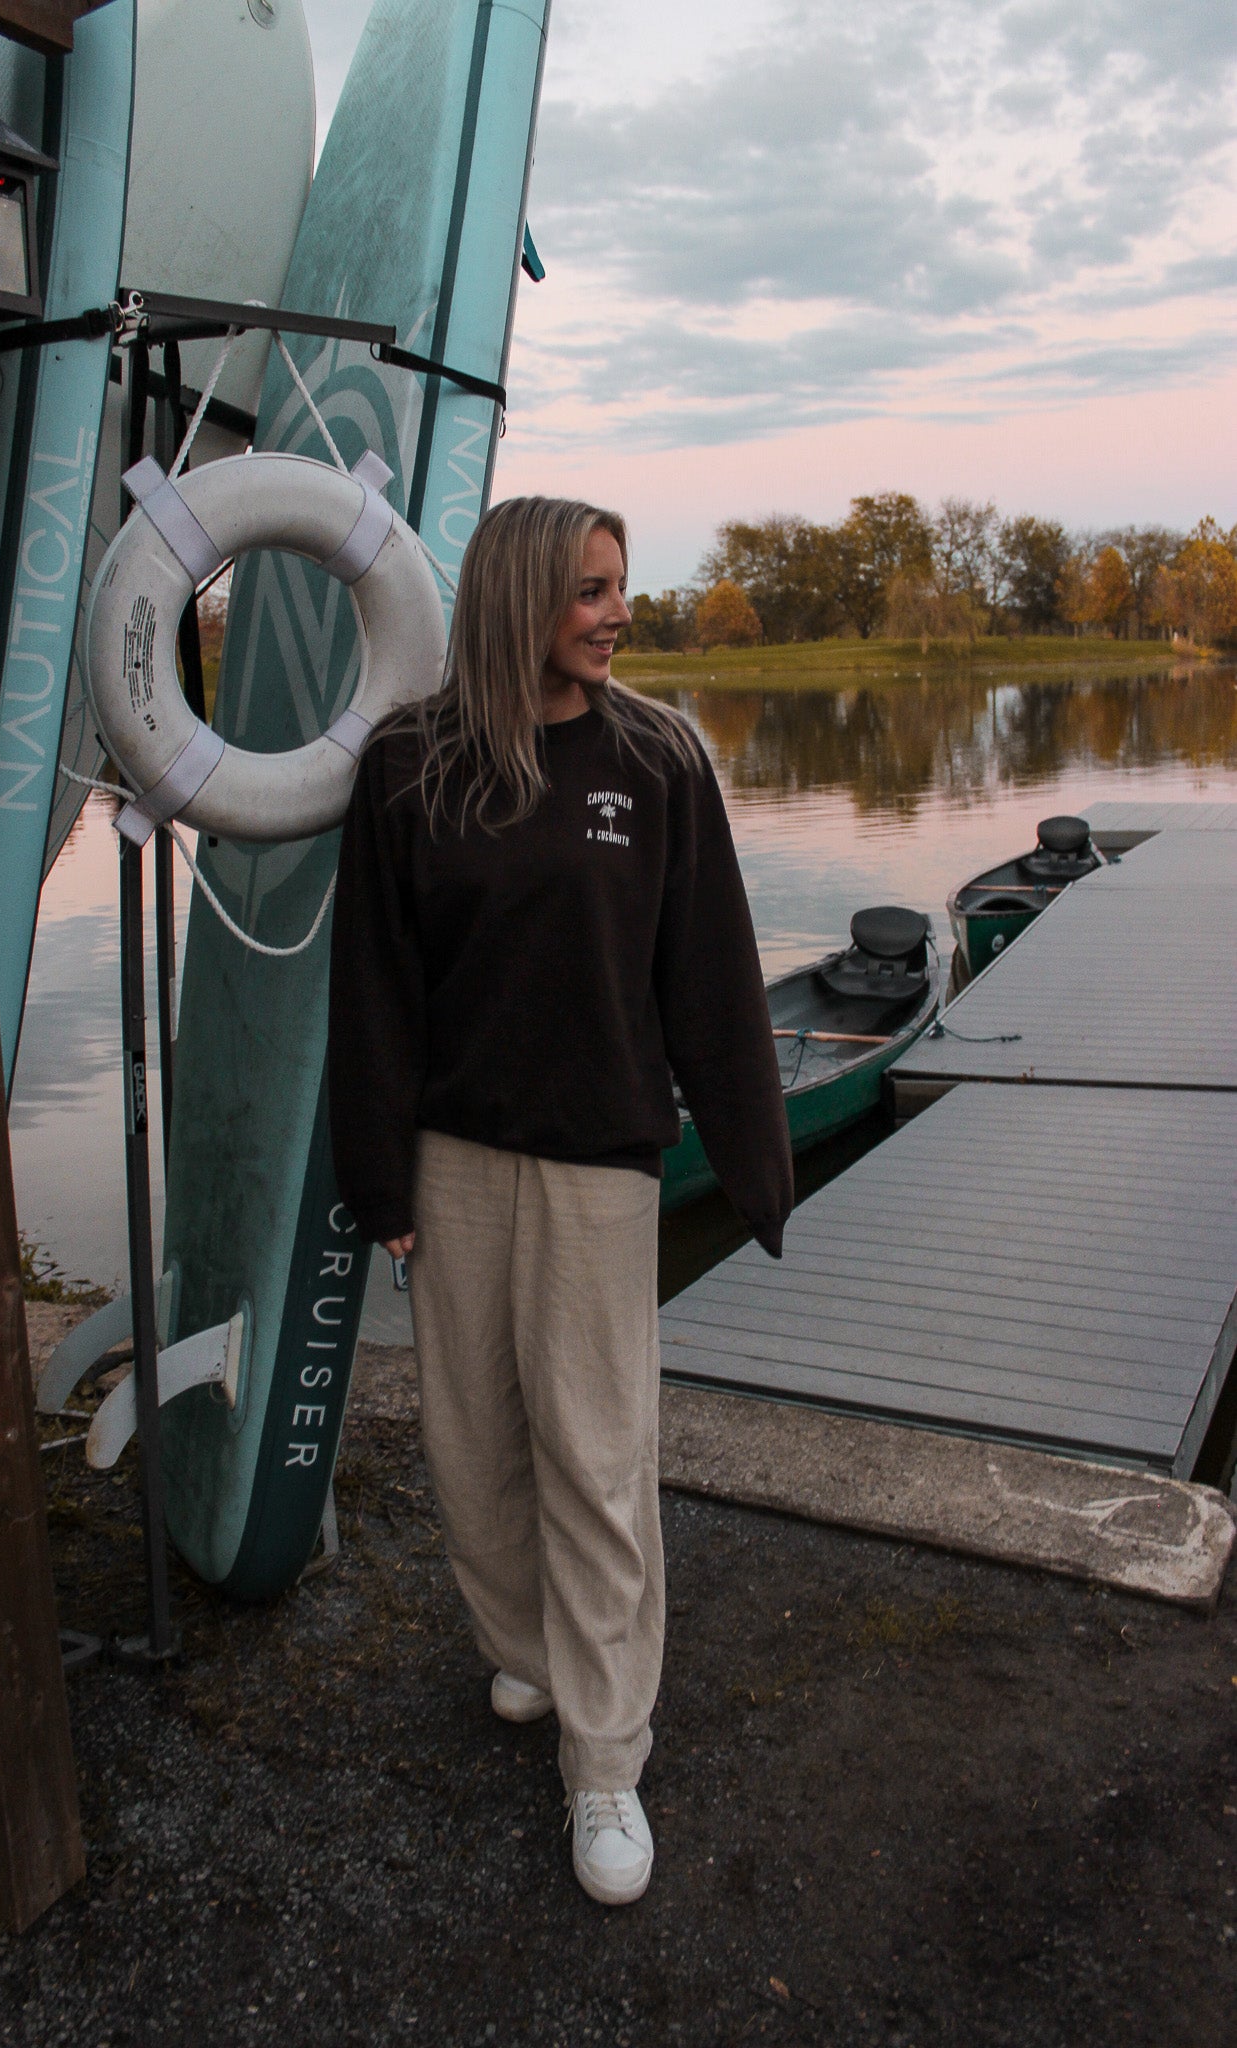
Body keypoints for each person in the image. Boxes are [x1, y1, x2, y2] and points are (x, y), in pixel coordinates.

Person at [328, 495, 792, 1906]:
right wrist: (377, 1173)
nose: (615, 613)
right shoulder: (409, 764)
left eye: (618, 586)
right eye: (589, 590)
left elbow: (709, 972)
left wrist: (753, 1158)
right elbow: (376, 985)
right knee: (473, 1445)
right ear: (519, 597)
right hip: (457, 1158)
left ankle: (604, 1761)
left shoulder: (657, 759)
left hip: (599, 1164)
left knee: (594, 1460)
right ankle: (527, 1648)